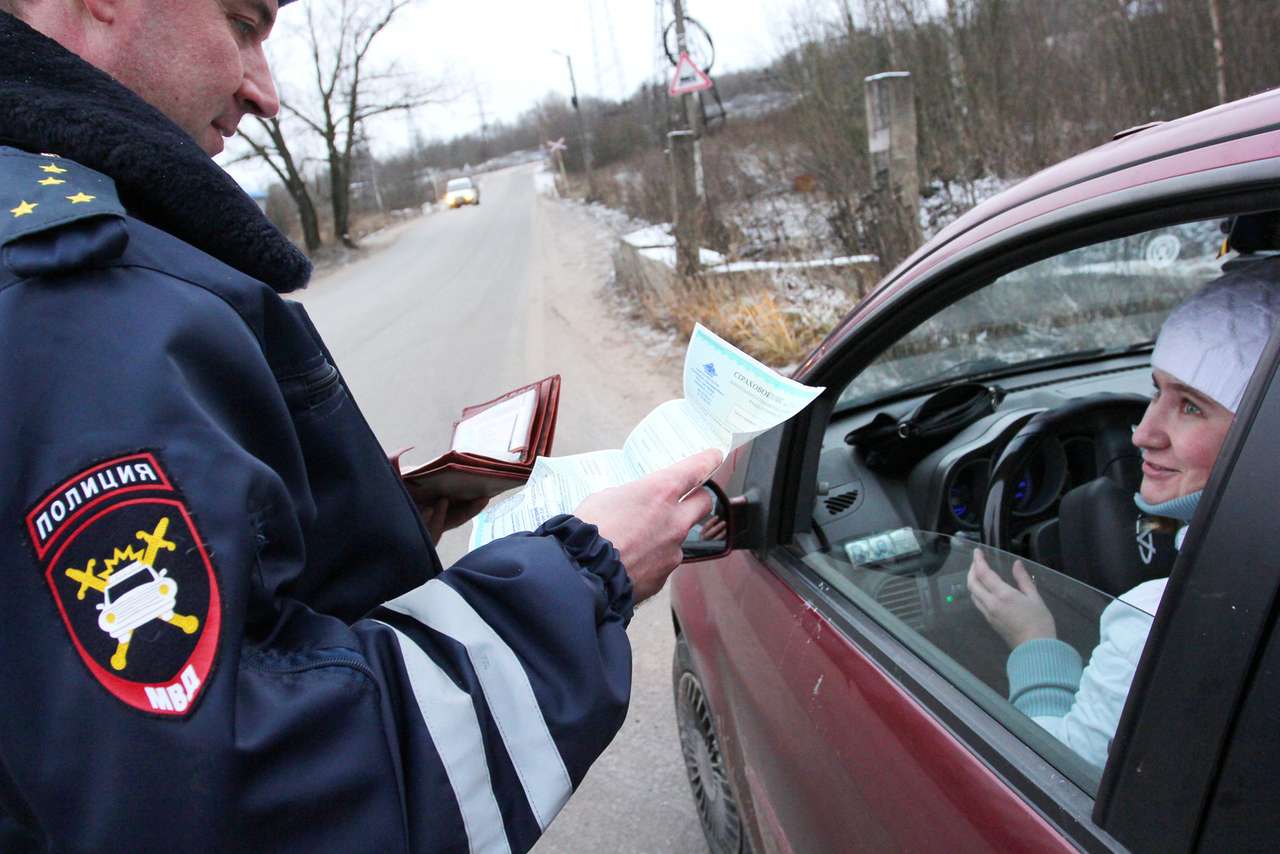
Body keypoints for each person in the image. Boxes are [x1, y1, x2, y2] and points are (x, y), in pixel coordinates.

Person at [0, 2, 720, 851]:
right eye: (241, 22)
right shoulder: (73, 303)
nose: (265, 92)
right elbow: (237, 803)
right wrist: (585, 572)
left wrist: (346, 527)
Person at [966, 264, 1280, 768]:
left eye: (1191, 407)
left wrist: (1032, 639)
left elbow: (1055, 774)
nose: (1142, 433)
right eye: (1157, 391)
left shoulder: (1164, 621)